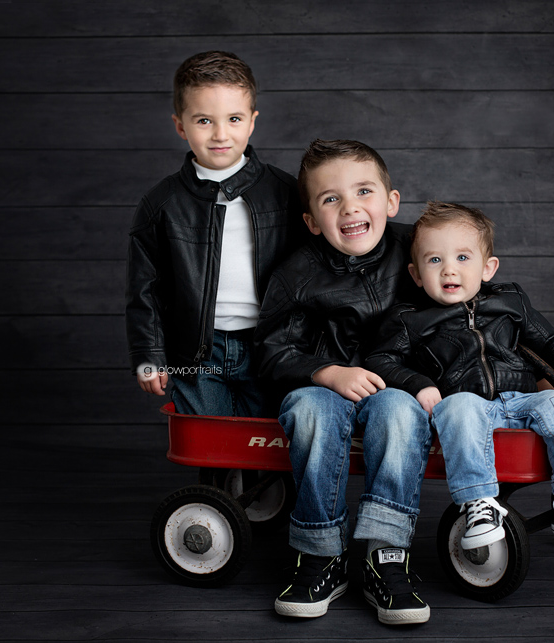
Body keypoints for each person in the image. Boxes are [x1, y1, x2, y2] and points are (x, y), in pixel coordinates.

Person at [365, 201, 554, 551]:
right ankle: (478, 505)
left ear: (488, 268)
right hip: (466, 404)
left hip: (523, 398)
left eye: (462, 258)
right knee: (457, 407)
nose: (449, 270)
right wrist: (418, 384)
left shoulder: (510, 301)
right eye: (434, 260)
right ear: (416, 274)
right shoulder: (410, 319)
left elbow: (550, 341)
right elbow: (380, 359)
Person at [254, 139, 433, 625]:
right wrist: (328, 372)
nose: (350, 207)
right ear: (312, 220)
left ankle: (386, 556)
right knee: (310, 409)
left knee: (400, 411)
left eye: (364, 191)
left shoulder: (418, 248)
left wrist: (544, 371)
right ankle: (321, 555)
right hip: (320, 386)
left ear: (391, 201)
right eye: (331, 198)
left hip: (396, 386)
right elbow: (270, 350)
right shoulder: (297, 272)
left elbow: (477, 302)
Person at [126, 51, 304, 417]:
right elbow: (145, 288)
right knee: (211, 440)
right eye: (204, 120)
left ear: (252, 121)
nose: (221, 134)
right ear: (181, 126)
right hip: (195, 353)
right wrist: (148, 355)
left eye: (234, 119)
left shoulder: (286, 192)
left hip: (271, 347)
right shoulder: (162, 203)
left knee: (267, 441)